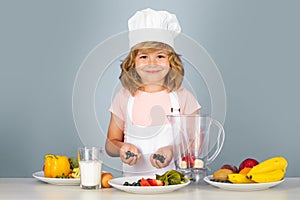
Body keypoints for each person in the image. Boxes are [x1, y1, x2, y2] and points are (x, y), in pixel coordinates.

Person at [105, 8, 201, 176]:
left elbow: (195, 144)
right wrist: (122, 148)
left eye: (160, 56)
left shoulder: (184, 98)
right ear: (132, 62)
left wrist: (172, 150)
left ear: (172, 61)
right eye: (143, 57)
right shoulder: (124, 97)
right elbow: (110, 145)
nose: (152, 63)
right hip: (132, 188)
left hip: (175, 187)